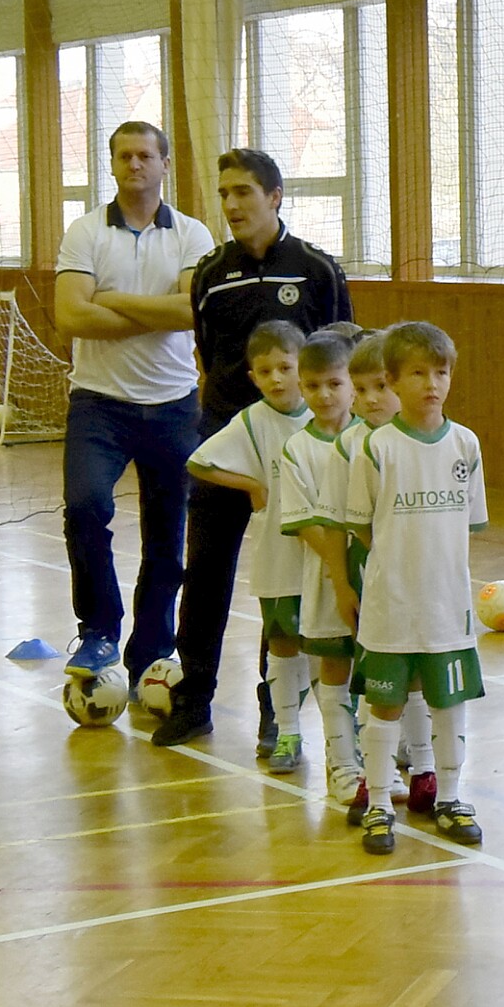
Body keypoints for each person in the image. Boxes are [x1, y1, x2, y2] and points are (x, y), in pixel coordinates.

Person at [160, 148, 353, 749]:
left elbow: (342, 353)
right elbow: (207, 351)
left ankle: (277, 712)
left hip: (299, 448)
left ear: (275, 197)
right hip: (227, 439)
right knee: (205, 573)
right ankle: (193, 700)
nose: (231, 204)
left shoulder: (317, 270)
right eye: (223, 193)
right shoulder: (211, 273)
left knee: (288, 583)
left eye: (243, 191)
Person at [51, 121, 218, 691]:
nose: (135, 164)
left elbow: (193, 312)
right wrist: (157, 311)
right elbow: (70, 316)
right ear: (113, 164)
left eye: (146, 155)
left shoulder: (192, 234)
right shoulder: (85, 231)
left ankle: (151, 649)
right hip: (99, 405)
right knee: (84, 508)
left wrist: (113, 300)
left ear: (165, 164)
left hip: (174, 405)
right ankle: (98, 629)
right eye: (124, 156)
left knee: (168, 535)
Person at [342, 323, 488, 855]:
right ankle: (380, 802)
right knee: (384, 706)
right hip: (391, 607)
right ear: (394, 381)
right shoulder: (376, 447)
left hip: (448, 608)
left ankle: (449, 797)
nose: (432, 384)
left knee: (449, 704)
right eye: (419, 373)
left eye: (441, 372)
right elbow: (362, 526)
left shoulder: (465, 444)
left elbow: (471, 523)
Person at [185, 320, 314, 770]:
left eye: (285, 368)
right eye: (265, 371)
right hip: (279, 553)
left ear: (303, 368)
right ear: (252, 377)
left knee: (334, 647)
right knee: (282, 641)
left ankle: (353, 734)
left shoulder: (326, 414)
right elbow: (199, 461)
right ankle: (281, 725)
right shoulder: (253, 421)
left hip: (326, 554)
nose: (276, 379)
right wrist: (253, 484)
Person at [341, 328, 432, 820]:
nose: (372, 399)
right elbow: (351, 523)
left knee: (415, 676)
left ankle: (424, 768)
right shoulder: (352, 446)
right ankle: (372, 774)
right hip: (369, 579)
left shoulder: (432, 441)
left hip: (420, 583)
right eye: (361, 389)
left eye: (381, 386)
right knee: (374, 679)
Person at [273, 332, 365, 802]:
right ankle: (341, 763)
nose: (324, 395)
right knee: (334, 666)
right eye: (312, 386)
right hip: (330, 578)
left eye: (334, 383)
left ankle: (388, 756)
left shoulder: (372, 439)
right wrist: (340, 567)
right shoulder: (297, 449)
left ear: (352, 384)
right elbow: (305, 520)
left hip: (378, 575)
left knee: (384, 665)